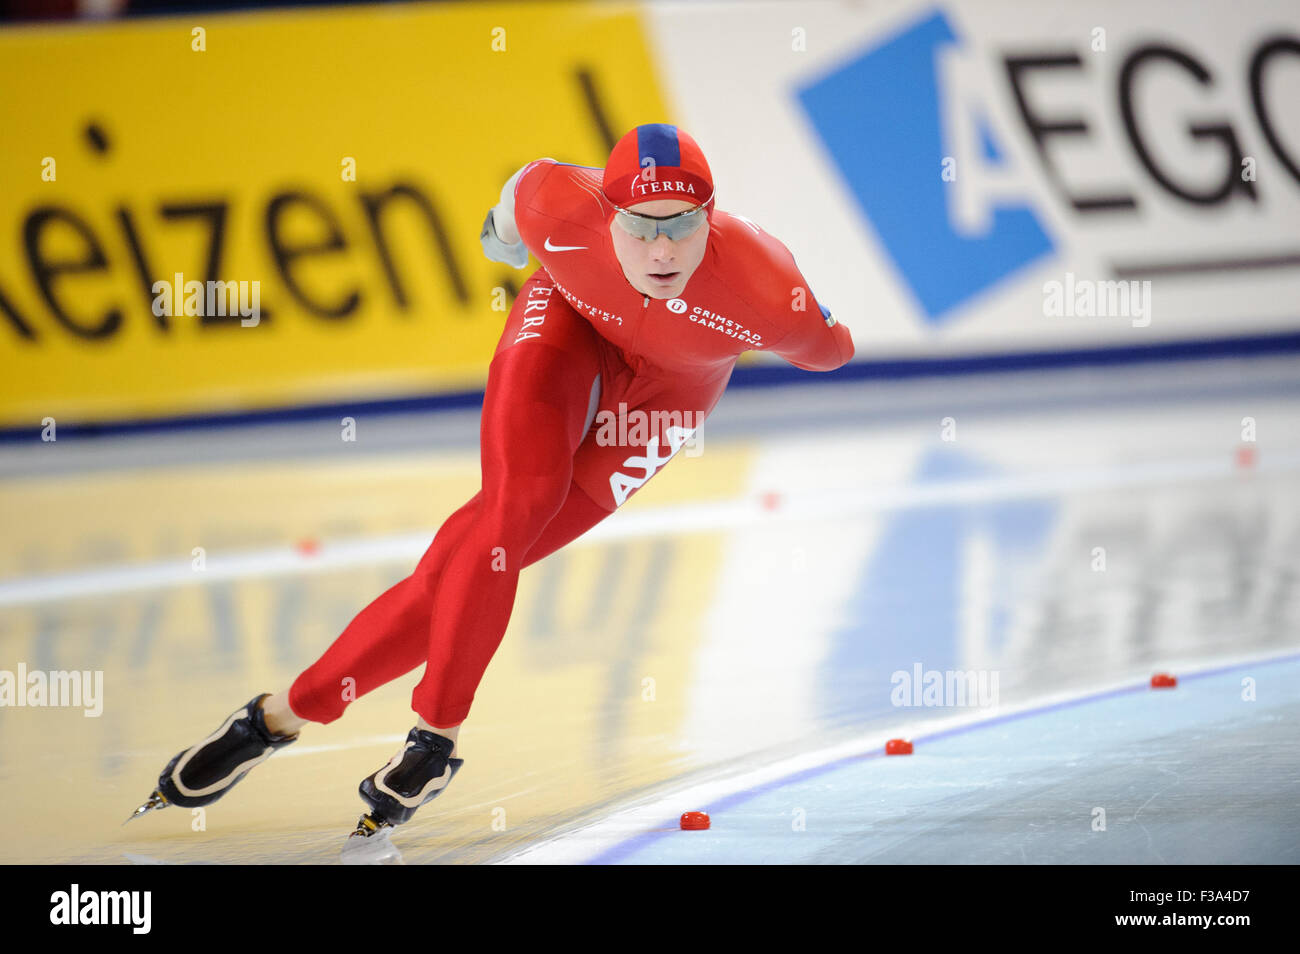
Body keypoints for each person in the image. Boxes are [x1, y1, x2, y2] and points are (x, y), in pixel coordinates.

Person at [128, 123, 855, 848]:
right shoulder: (552, 201)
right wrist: (505, 243)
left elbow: (833, 349)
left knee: (462, 567)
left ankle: (276, 717)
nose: (662, 250)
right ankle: (434, 740)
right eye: (639, 226)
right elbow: (502, 225)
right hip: (566, 325)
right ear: (608, 213)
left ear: (711, 216)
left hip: (667, 398)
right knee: (515, 509)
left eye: (683, 226)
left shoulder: (766, 288)